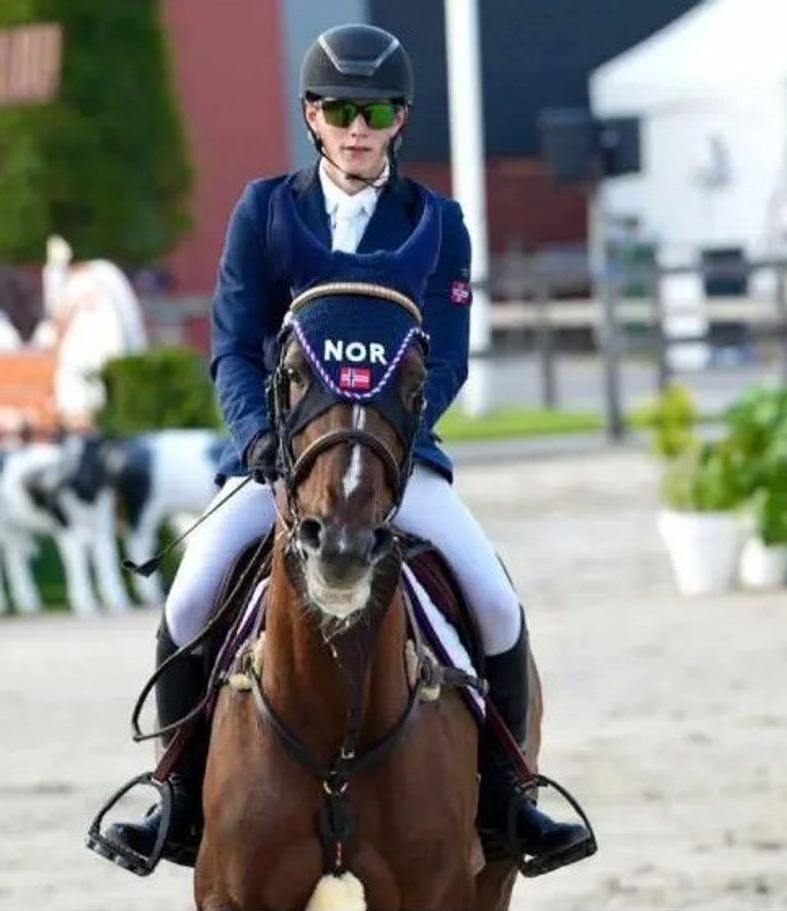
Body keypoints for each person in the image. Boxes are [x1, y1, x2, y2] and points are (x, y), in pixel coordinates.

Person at [98, 23, 592, 875]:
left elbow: (448, 355)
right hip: (279, 464)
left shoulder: (438, 223)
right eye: (340, 110)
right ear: (311, 115)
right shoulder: (265, 211)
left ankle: (513, 800)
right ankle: (172, 797)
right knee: (190, 593)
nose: (358, 128)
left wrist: (391, 446)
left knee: (495, 603)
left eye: (377, 112)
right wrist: (260, 438)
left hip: (398, 464)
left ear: (401, 119)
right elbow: (233, 347)